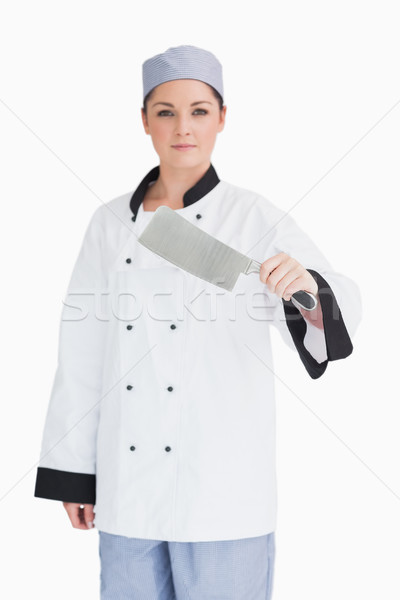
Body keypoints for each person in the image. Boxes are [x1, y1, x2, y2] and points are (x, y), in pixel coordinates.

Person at [34, 44, 362, 599]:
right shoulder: (111, 222)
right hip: (127, 486)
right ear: (144, 121)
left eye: (199, 111)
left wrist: (305, 290)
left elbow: (340, 306)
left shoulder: (251, 215)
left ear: (223, 118)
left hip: (223, 492)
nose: (182, 126)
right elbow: (82, 350)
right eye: (165, 111)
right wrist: (74, 470)